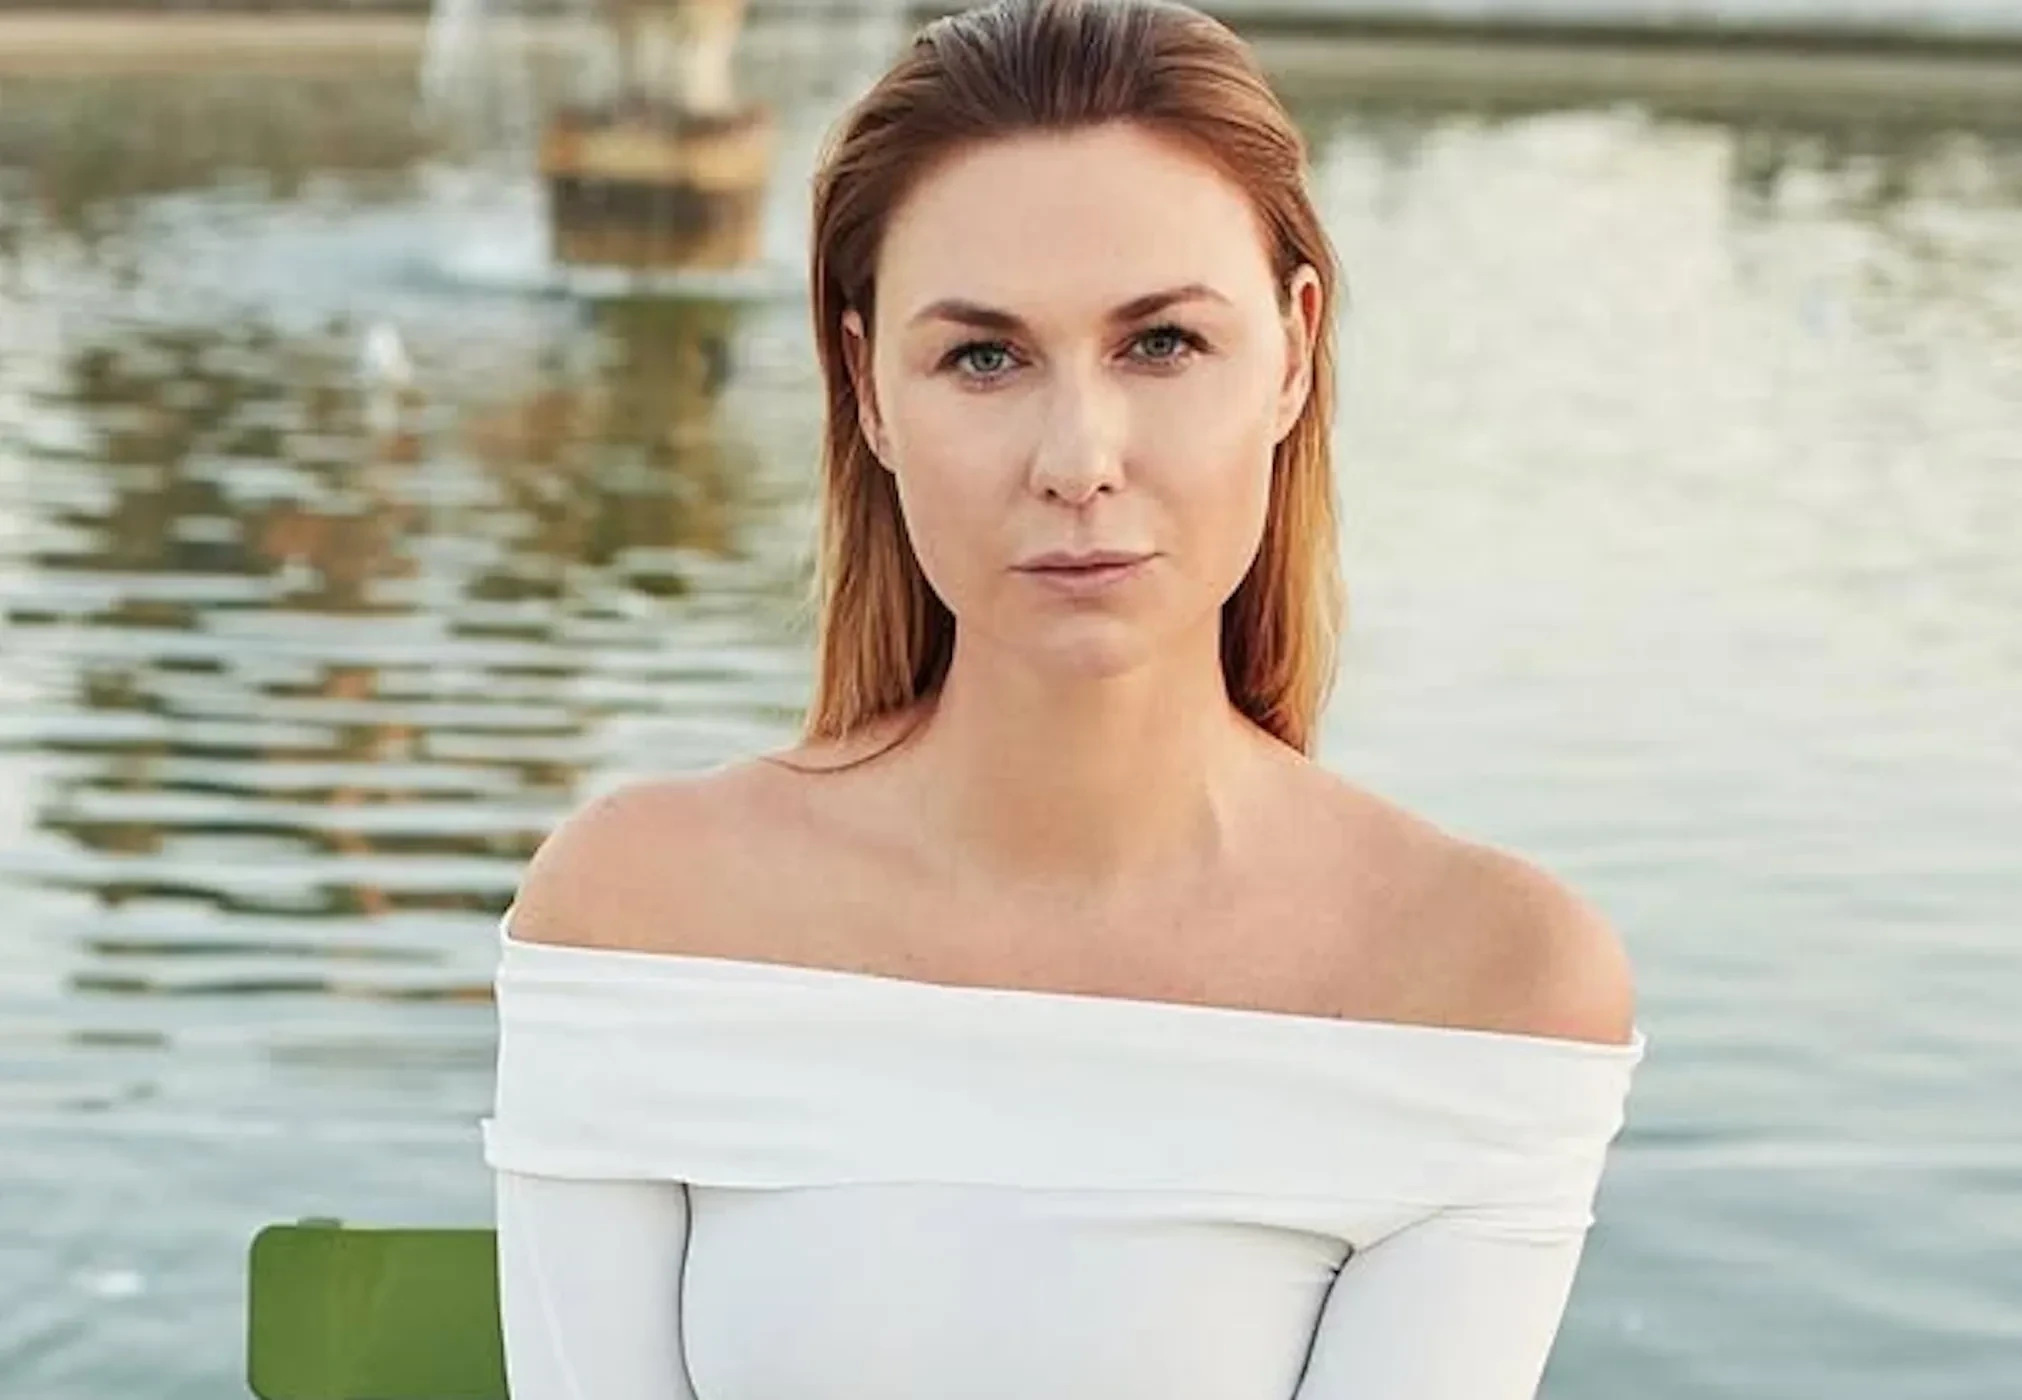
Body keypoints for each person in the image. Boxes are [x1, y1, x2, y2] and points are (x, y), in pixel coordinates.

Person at [482, 0, 1647, 1395]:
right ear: (866, 388)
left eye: (1161, 344)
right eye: (984, 357)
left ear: (1291, 351)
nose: (1077, 458)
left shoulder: (1484, 979)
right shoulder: (642, 914)